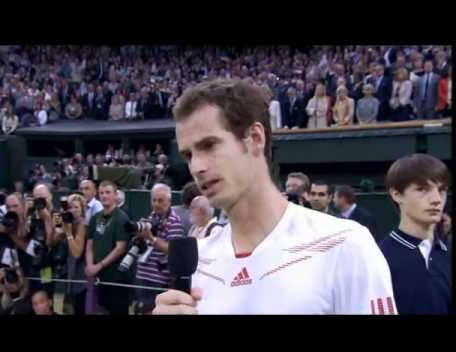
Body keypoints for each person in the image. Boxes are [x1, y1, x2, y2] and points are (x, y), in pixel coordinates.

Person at [153, 78, 395, 314]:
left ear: (255, 138)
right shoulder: (200, 261)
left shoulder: (344, 245)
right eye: (188, 155)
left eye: (209, 145)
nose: (197, 167)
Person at [379, 154, 451, 314]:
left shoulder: (447, 254)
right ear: (396, 194)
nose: (437, 199)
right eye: (422, 189)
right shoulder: (378, 259)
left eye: (442, 190)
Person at [133, 183, 184, 314]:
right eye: (154, 200)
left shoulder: (174, 221)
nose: (156, 204)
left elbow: (174, 250)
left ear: (169, 201)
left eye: (160, 200)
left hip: (158, 280)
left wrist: (152, 239)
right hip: (142, 274)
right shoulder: (151, 217)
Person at [85, 181, 131, 314]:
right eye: (101, 193)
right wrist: (90, 266)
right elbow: (89, 244)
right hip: (98, 276)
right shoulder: (95, 217)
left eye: (108, 192)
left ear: (115, 195)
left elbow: (120, 248)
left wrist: (98, 266)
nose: (104, 196)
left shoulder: (121, 218)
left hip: (116, 277)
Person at [51, 194, 87, 314]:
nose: (73, 210)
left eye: (76, 207)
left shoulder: (83, 225)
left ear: (82, 210)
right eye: (70, 207)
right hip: (69, 278)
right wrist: (57, 226)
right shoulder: (68, 224)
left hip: (82, 280)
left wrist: (68, 233)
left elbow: (77, 253)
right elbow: (51, 242)